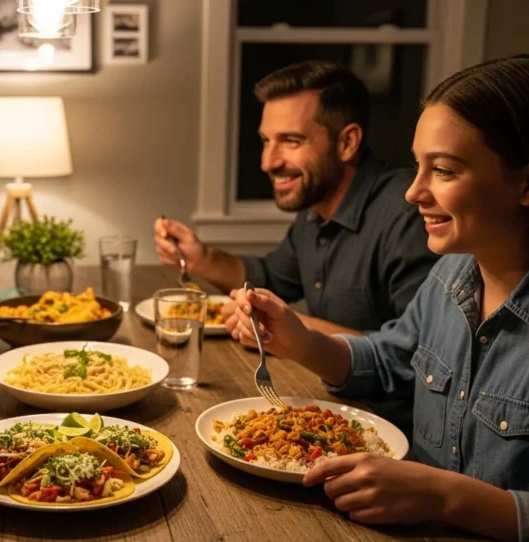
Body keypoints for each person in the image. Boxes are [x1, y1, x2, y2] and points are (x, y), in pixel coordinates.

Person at [231, 54, 529, 542]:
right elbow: (390, 360)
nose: (412, 192)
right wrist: (301, 341)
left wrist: (449, 497)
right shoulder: (452, 274)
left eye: (444, 170)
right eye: (418, 165)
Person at [155, 61, 439, 339]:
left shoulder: (409, 214)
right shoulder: (318, 202)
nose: (268, 163)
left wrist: (295, 331)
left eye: (291, 141)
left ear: (347, 143)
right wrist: (202, 258)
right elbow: (272, 278)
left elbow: (418, 352)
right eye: (266, 141)